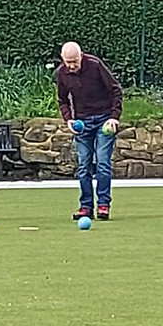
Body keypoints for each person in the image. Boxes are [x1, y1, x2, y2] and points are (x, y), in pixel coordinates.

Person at [56, 41, 123, 222]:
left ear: (81, 56)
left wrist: (114, 117)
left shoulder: (95, 65)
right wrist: (68, 119)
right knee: (84, 166)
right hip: (82, 123)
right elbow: (62, 100)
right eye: (68, 62)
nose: (71, 66)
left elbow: (116, 90)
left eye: (74, 61)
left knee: (102, 162)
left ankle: (103, 205)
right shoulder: (61, 73)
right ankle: (86, 207)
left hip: (104, 120)